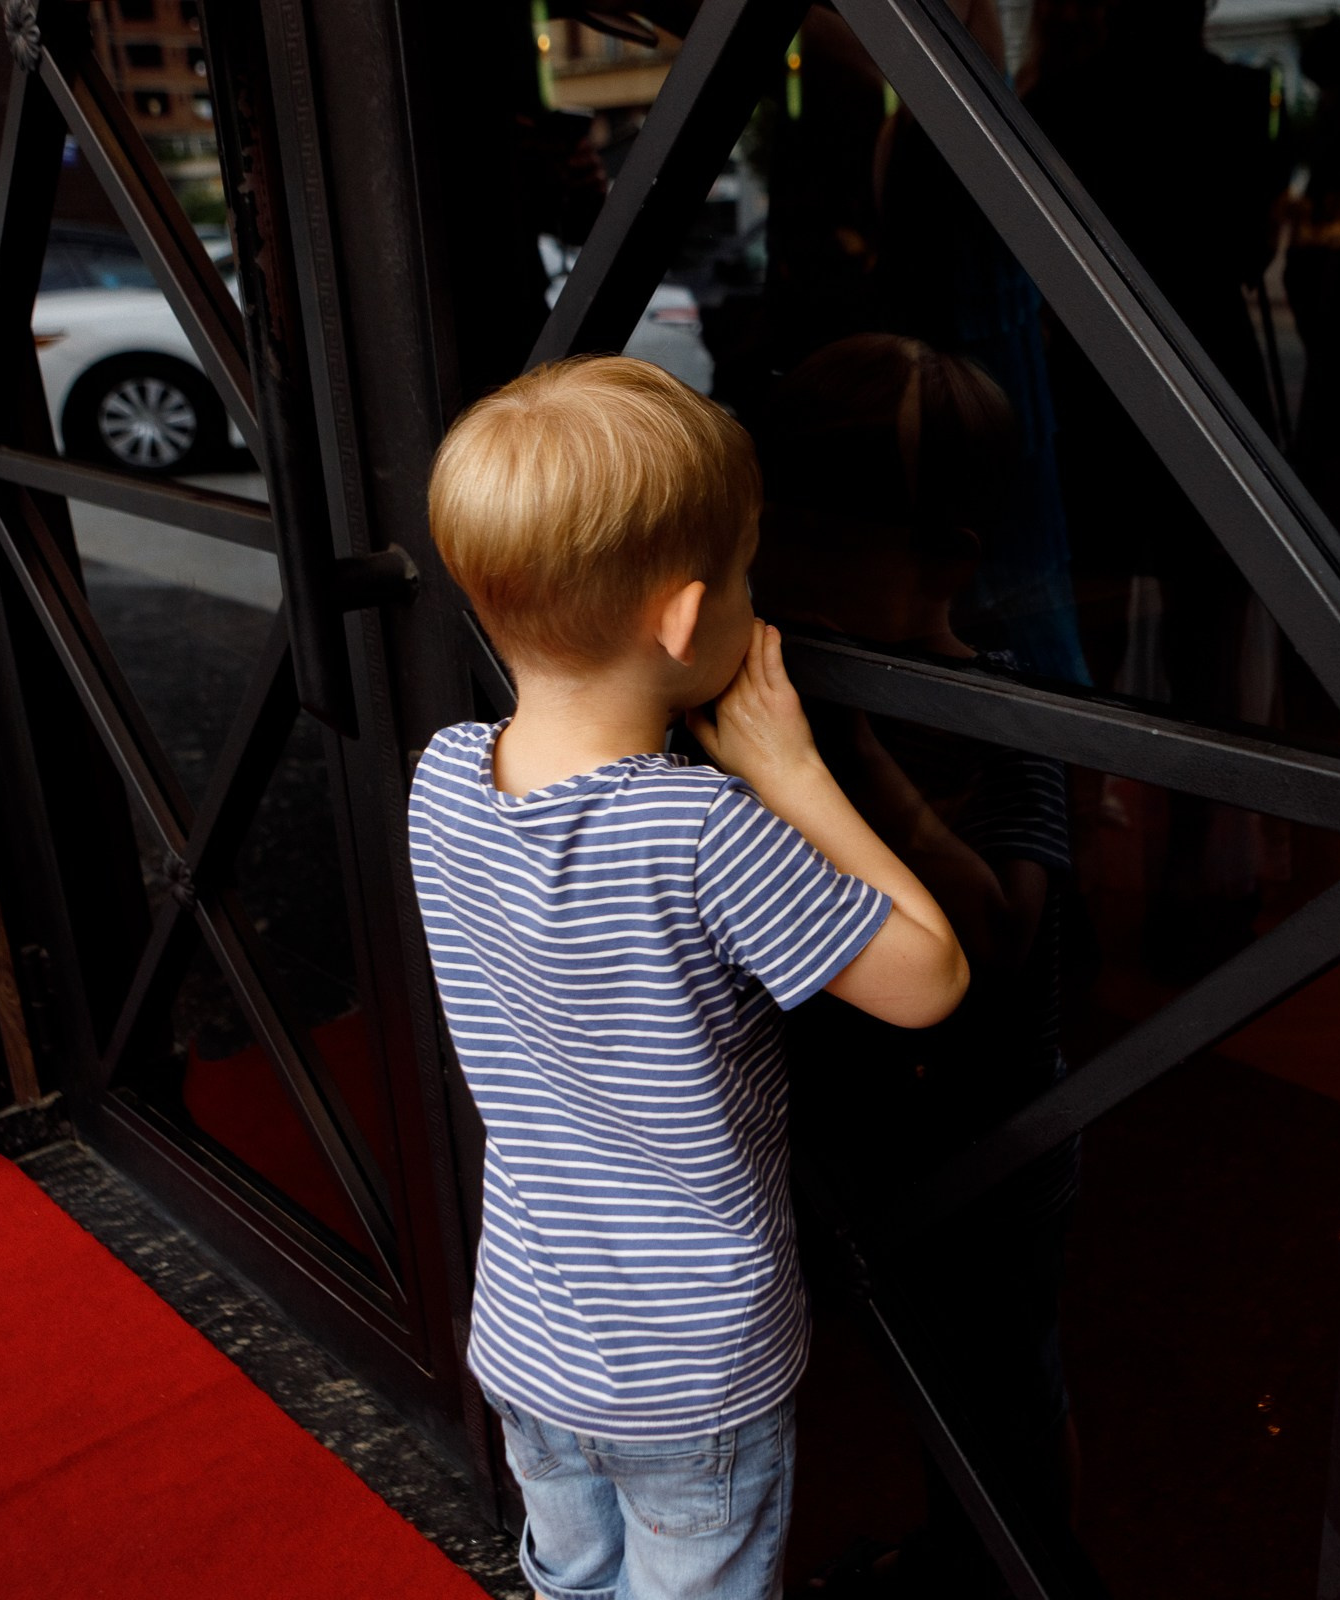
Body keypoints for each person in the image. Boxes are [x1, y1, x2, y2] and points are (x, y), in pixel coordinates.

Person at [407, 355, 969, 1600]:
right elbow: (929, 976)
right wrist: (796, 771)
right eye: (750, 573)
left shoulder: (442, 779)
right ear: (680, 618)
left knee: (571, 1580)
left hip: (530, 1335)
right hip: (690, 1368)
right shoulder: (698, 830)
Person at [752, 336, 1082, 1592]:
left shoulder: (1003, 708)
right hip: (863, 1121)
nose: (789, 592)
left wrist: (851, 748)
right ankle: (952, 1553)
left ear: (948, 561)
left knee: (1006, 1385)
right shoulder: (800, 688)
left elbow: (1002, 933)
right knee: (909, 1367)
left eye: (822, 561)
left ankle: (1018, 1566)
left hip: (996, 1137)